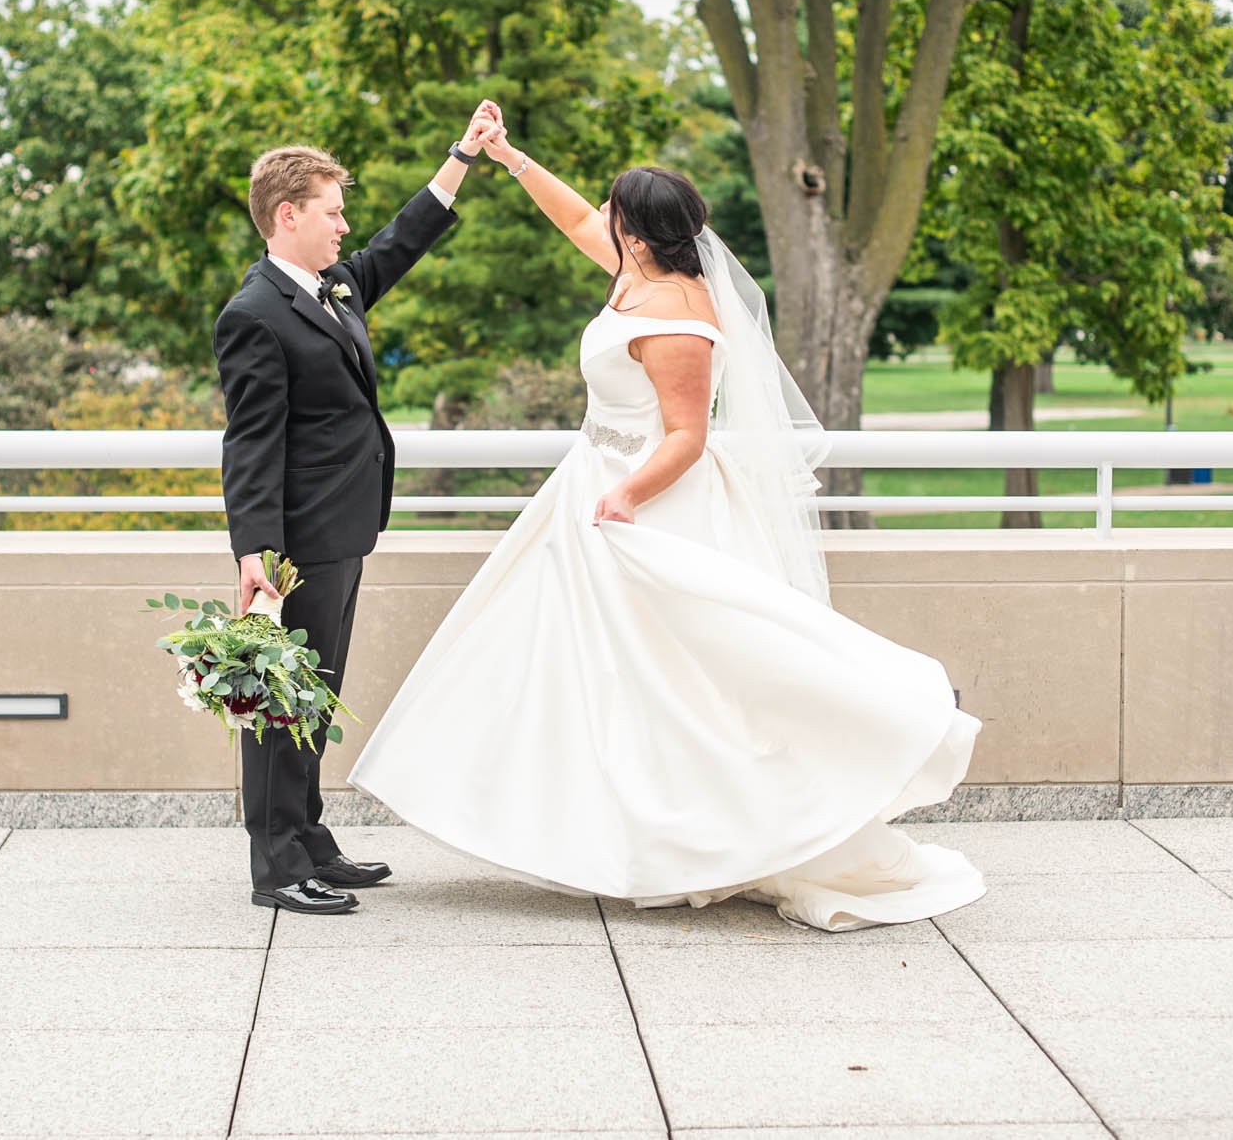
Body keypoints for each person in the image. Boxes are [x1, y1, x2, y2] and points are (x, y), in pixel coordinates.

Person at [347, 128, 986, 932]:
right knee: (591, 671)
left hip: (650, 504)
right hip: (590, 484)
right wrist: (507, 157)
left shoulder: (682, 316)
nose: (603, 216)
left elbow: (687, 437)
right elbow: (576, 218)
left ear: (640, 235)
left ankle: (721, 830)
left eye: (616, 209)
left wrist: (624, 495)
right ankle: (609, 833)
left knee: (688, 683)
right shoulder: (631, 270)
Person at [213, 103, 501, 915]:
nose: (345, 226)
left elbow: (399, 246)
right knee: (275, 699)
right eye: (332, 211)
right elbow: (251, 443)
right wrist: (256, 555)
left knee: (316, 691)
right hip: (293, 541)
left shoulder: (331, 286)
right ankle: (275, 864)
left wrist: (461, 157)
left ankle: (309, 838)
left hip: (343, 528)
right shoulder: (255, 313)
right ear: (288, 214)